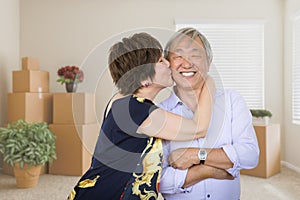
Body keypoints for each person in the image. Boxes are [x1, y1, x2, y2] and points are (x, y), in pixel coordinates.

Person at [68, 32, 215, 200]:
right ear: (145, 77)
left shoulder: (122, 101)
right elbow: (199, 128)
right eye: (160, 61)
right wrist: (208, 81)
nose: (168, 63)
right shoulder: (136, 110)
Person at [159, 27, 260, 200]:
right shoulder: (159, 113)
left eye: (195, 55)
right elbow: (159, 180)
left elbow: (250, 155)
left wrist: (197, 155)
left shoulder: (231, 101)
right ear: (168, 64)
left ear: (209, 62)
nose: (187, 63)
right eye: (178, 56)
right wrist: (207, 170)